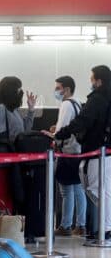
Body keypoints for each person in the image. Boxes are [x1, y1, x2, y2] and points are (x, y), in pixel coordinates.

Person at [56, 65, 111, 240]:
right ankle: (102, 228)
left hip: (96, 150)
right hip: (104, 150)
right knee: (98, 189)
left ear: (99, 81)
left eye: (91, 79)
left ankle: (106, 229)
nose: (90, 82)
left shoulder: (97, 99)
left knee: (97, 189)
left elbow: (83, 120)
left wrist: (61, 133)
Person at [0, 76, 39, 242]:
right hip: (8, 160)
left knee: (21, 194)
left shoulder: (13, 110)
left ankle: (23, 229)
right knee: (15, 194)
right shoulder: (0, 109)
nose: (21, 92)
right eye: (18, 89)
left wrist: (31, 110)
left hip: (19, 159)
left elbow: (25, 129)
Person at [42, 76, 86, 236]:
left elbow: (62, 129)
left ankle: (66, 225)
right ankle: (80, 225)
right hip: (78, 150)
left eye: (58, 88)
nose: (56, 91)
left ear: (66, 89)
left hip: (68, 152)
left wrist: (52, 134)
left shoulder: (66, 104)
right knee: (78, 189)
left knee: (66, 191)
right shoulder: (77, 103)